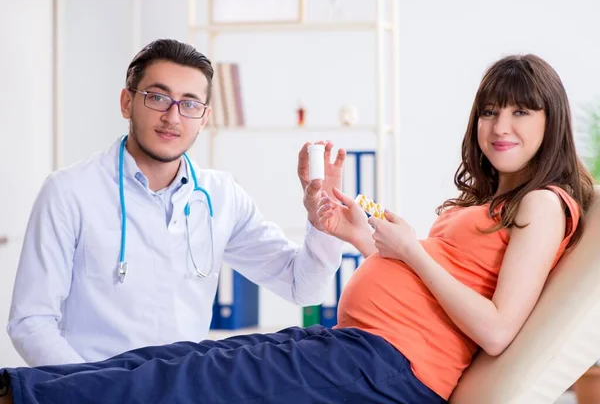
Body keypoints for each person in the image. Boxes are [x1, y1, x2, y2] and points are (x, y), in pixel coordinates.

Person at [0, 54, 595, 404]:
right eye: (491, 110)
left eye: (521, 111)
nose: (500, 126)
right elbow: (427, 279)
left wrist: (410, 249)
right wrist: (353, 235)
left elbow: (494, 331)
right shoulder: (494, 201)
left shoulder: (542, 203)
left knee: (195, 381)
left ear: (552, 121)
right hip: (356, 346)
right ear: (128, 101)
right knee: (177, 359)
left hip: (388, 367)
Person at [6, 39, 347, 367]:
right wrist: (90, 388)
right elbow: (31, 321)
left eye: (189, 104)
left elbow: (302, 287)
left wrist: (323, 221)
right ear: (127, 102)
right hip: (90, 391)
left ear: (204, 116)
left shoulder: (222, 196)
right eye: (157, 97)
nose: (173, 117)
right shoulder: (69, 191)